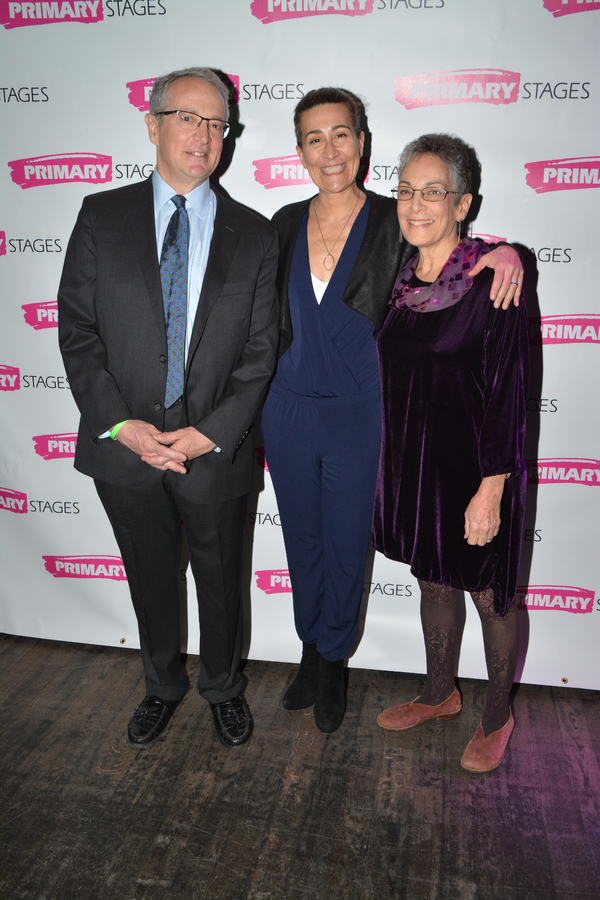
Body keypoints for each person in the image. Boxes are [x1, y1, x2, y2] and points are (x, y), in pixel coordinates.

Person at [262, 88, 524, 734]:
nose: (330, 150)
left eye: (342, 134)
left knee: (348, 547)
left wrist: (506, 251)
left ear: (362, 142)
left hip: (361, 417)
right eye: (315, 138)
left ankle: (334, 664)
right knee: (302, 543)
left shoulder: (394, 220)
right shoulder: (283, 223)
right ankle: (307, 652)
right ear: (299, 151)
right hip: (288, 413)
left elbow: (452, 252)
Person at [58, 67, 279, 750]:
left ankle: (222, 688)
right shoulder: (101, 215)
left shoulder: (257, 233)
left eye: (217, 123)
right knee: (151, 581)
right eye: (189, 117)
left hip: (214, 453)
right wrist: (122, 426)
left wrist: (207, 435)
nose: (204, 135)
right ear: (152, 126)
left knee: (220, 585)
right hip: (125, 448)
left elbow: (262, 351)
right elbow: (78, 330)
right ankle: (161, 686)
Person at [373, 133, 528, 772]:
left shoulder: (494, 279)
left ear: (462, 202)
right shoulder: (400, 276)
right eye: (406, 190)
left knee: (491, 594)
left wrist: (491, 489)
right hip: (415, 462)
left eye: (432, 191)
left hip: (475, 466)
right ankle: (440, 693)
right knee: (432, 577)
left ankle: (497, 715)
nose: (415, 204)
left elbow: (512, 390)